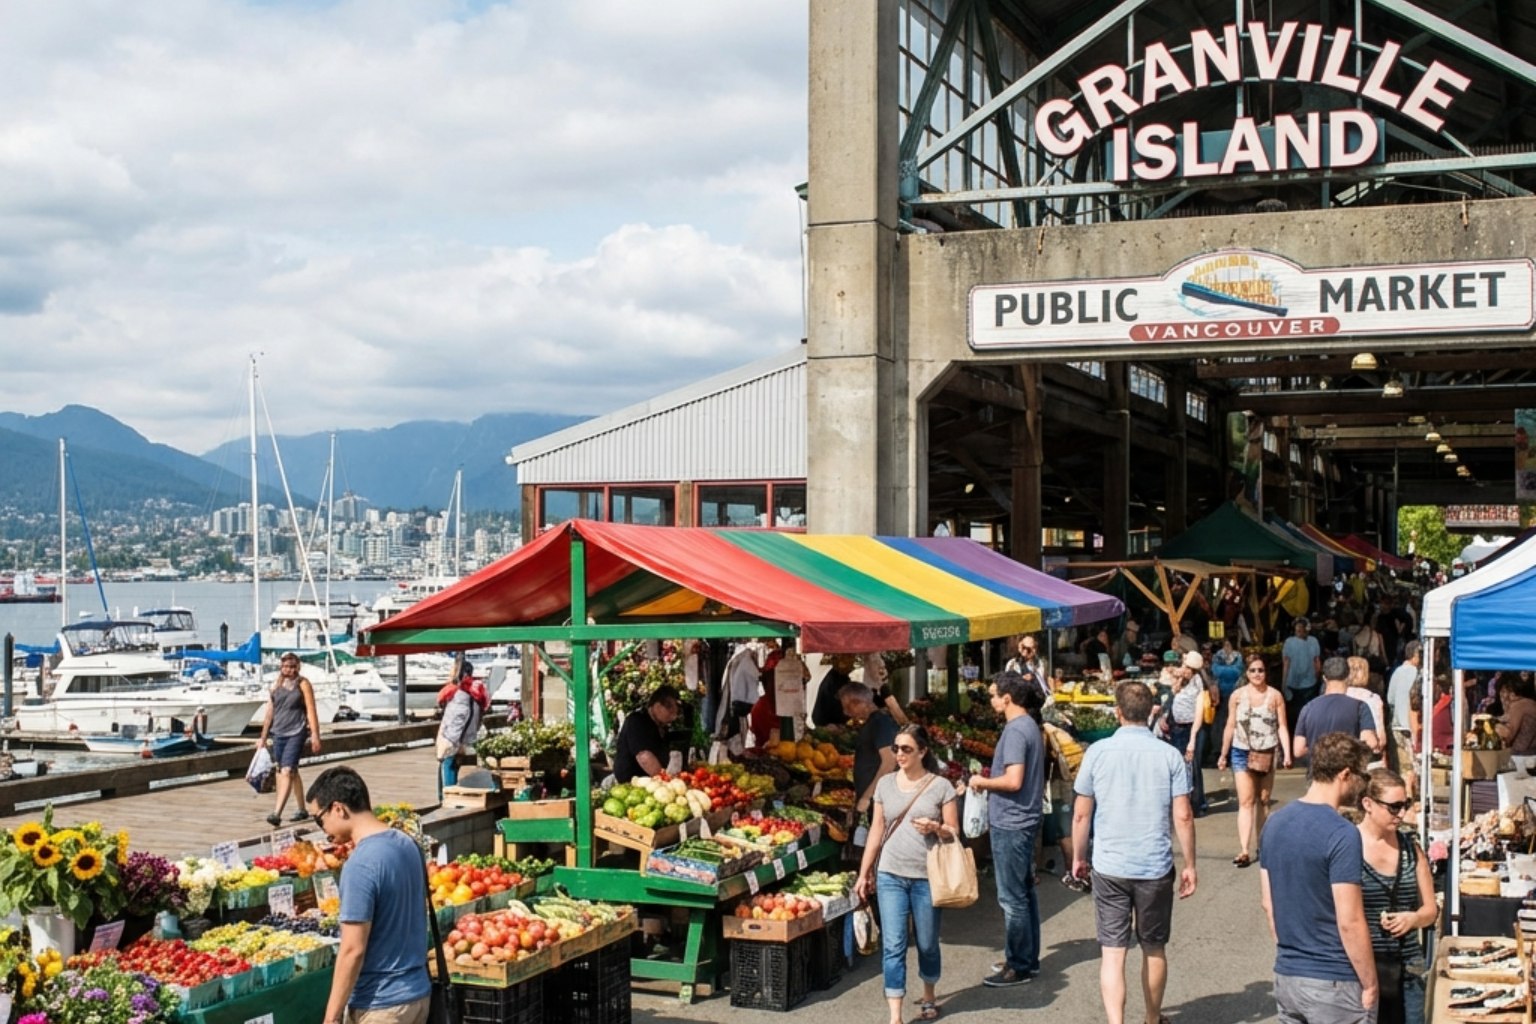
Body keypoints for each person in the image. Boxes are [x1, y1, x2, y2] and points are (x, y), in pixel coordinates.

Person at [1070, 680, 1198, 1024]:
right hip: (1154, 865)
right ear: (1151, 712)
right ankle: (1152, 1018)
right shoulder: (1169, 755)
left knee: (1112, 953)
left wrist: (1078, 857)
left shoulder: (1097, 753)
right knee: (1153, 946)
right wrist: (1190, 864)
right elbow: (1183, 815)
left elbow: (1081, 814)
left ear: (1118, 712)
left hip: (1109, 865)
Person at [1260, 733, 1378, 1024]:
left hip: (1288, 975)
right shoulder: (1342, 833)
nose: (1363, 783)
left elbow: (1269, 904)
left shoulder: (1274, 823)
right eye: (1362, 776)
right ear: (1345, 774)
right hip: (1333, 979)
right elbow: (1350, 921)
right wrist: (1370, 982)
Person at [854, 724, 960, 1024]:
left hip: (927, 877)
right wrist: (864, 873)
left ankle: (929, 994)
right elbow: (876, 830)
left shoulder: (940, 787)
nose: (899, 754)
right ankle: (895, 1015)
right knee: (893, 945)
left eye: (906, 749)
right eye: (896, 748)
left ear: (922, 751)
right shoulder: (885, 785)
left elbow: (954, 831)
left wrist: (936, 828)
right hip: (890, 874)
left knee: (927, 943)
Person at [311, 766, 432, 1024]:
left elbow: (352, 949)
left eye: (319, 820)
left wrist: (331, 1017)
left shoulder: (361, 864)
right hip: (418, 995)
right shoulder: (407, 843)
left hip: (381, 1006)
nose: (323, 830)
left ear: (338, 809)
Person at [966, 671, 1044, 988]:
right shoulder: (1029, 726)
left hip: (1012, 821)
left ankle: (1018, 965)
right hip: (1024, 818)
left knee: (1012, 898)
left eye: (993, 694)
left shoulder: (1015, 730)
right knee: (1023, 893)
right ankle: (1027, 958)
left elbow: (1013, 781)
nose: (991, 700)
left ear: (1007, 698)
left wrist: (981, 782)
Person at [1358, 769, 1435, 1024]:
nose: (1401, 814)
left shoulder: (1411, 848)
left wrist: (1413, 919)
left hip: (1409, 966)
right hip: (1362, 968)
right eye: (1393, 807)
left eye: (1405, 805)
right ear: (1368, 804)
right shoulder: (1348, 847)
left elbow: (1430, 910)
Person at [1218, 656, 1291, 868]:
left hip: (1266, 751)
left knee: (1264, 799)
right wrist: (1223, 754)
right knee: (1246, 801)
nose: (1257, 674)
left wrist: (1287, 754)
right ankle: (1244, 850)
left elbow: (1282, 726)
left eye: (1260, 670)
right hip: (1241, 751)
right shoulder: (1237, 696)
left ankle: (1262, 845)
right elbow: (1230, 725)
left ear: (1266, 673)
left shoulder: (1275, 696)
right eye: (1253, 670)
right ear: (1246, 673)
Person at [258, 651, 323, 828]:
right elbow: (270, 713)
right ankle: (301, 809)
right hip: (278, 732)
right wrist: (263, 737)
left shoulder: (303, 684)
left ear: (298, 667)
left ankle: (276, 813)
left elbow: (311, 710)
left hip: (296, 732)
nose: (290, 670)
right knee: (287, 770)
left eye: (293, 666)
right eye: (286, 666)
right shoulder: (277, 685)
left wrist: (315, 735)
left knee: (286, 771)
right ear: (281, 667)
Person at [1293, 658, 1377, 764]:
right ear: (1348, 676)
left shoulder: (1308, 708)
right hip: (1348, 769)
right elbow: (1371, 742)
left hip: (1318, 770)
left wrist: (1320, 752)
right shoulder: (1360, 707)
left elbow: (1298, 750)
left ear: (1324, 678)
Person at [842, 682, 900, 835]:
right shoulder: (875, 722)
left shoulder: (880, 723)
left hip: (880, 800)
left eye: (848, 706)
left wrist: (867, 797)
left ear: (859, 702)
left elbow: (889, 762)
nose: (846, 712)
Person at [1041, 720, 1088, 892]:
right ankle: (1077, 870)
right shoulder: (1060, 733)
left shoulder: (1048, 734)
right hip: (1070, 786)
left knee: (1065, 833)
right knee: (1069, 829)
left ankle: (1073, 873)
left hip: (1061, 789)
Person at [434, 658, 489, 789]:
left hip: (455, 742)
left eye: (452, 670)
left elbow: (456, 720)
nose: (450, 674)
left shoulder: (460, 695)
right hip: (467, 739)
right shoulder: (475, 694)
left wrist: (446, 745)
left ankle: (449, 795)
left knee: (448, 768)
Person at [1165, 652, 1207, 816]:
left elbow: (1199, 715)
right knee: (1178, 766)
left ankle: (1197, 804)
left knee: (1193, 765)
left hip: (1192, 728)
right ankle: (1180, 801)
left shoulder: (1198, 683)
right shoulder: (1179, 679)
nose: (1185, 670)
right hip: (1177, 728)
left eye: (1188, 668)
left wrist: (1192, 739)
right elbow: (1170, 697)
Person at [613, 686, 681, 783]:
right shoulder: (637, 721)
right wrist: (664, 782)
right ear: (657, 706)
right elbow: (644, 757)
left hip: (651, 782)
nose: (673, 717)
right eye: (670, 713)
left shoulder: (660, 725)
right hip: (633, 783)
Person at [1386, 643, 1421, 788]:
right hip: (1413, 726)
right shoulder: (1418, 674)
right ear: (1415, 656)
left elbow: (1390, 699)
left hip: (1397, 725)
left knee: (1401, 767)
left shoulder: (1397, 672)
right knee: (1414, 765)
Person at [1344, 656, 1387, 758]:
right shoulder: (1373, 699)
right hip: (1369, 754)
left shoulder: (1339, 697)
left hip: (1345, 753)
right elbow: (1381, 738)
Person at [1282, 618, 1322, 717]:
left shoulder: (1289, 642)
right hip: (1309, 683)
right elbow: (1317, 662)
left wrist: (1283, 683)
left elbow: (1286, 664)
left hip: (1295, 684)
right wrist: (1318, 677)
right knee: (1309, 712)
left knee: (1296, 713)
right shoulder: (1313, 641)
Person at [1495, 674, 1536, 755]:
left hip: (1521, 756)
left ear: (1511, 693)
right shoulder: (1530, 703)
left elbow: (1508, 734)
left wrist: (1491, 724)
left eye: (1503, 691)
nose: (1502, 697)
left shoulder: (1517, 705)